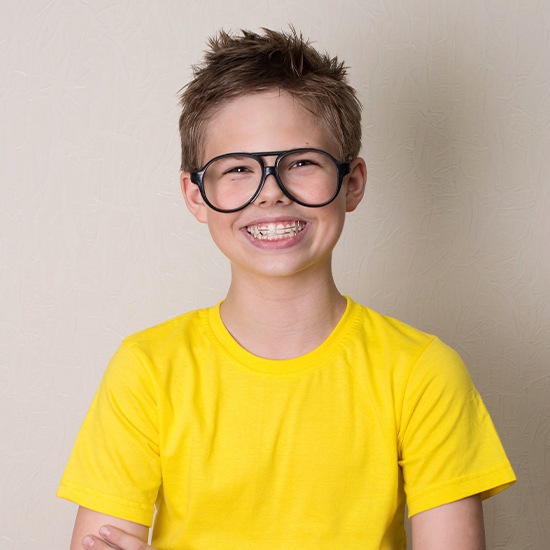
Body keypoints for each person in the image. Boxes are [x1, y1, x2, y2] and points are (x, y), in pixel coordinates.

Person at [58, 28, 516, 550]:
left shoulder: (423, 372)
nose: (270, 193)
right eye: (237, 169)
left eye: (300, 163)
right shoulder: (146, 369)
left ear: (352, 182)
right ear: (195, 195)